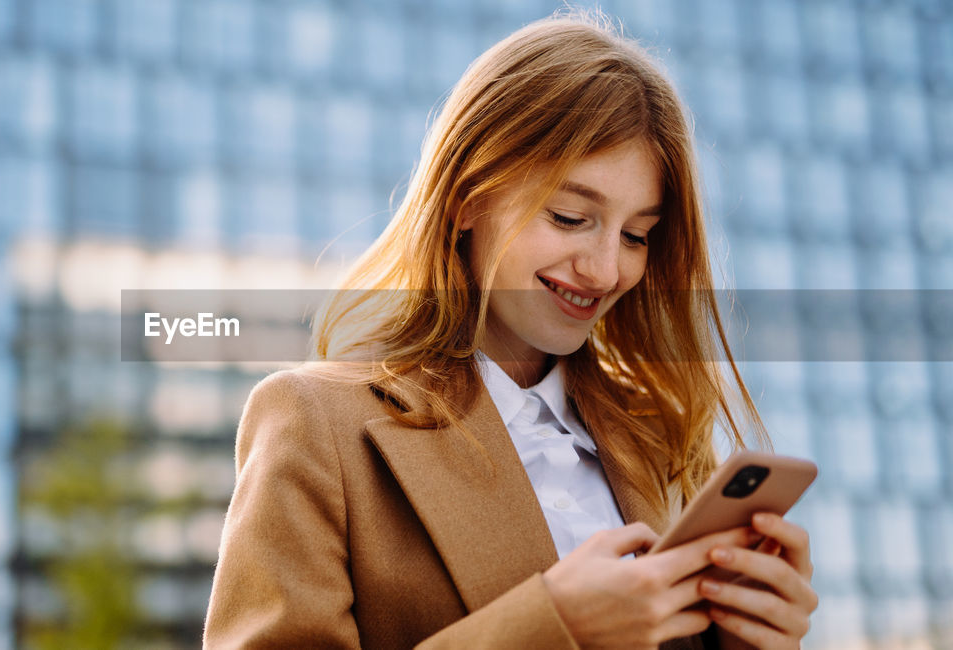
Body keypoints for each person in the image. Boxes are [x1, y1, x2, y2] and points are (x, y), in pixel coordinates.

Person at [204, 12, 817, 650]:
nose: (607, 269)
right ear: (469, 198)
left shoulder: (659, 440)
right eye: (571, 216)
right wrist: (553, 627)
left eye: (637, 235)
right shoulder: (316, 424)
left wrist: (754, 638)